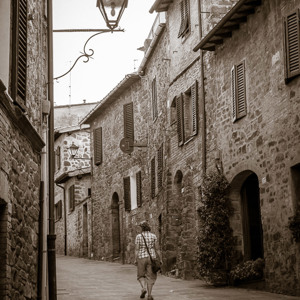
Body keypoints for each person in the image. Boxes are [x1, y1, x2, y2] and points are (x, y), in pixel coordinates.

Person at [134, 221, 162, 300]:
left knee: (140, 275)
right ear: (148, 227)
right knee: (151, 277)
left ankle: (143, 288)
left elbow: (136, 249)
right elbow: (157, 249)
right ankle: (149, 296)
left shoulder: (138, 236)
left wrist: (135, 259)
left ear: (142, 228)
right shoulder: (153, 236)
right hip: (151, 258)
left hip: (141, 258)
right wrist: (160, 259)